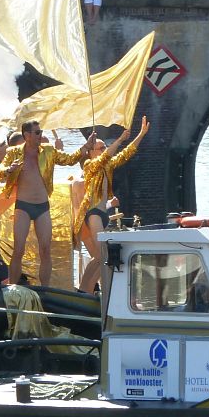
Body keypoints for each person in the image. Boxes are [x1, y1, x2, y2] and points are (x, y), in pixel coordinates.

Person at [0, 121, 96, 286]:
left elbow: (69, 160)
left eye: (41, 131)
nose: (41, 135)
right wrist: (9, 170)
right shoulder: (13, 152)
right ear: (27, 135)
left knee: (45, 250)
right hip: (23, 205)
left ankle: (45, 290)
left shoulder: (48, 151)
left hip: (42, 206)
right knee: (18, 250)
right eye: (37, 132)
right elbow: (0, 172)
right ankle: (13, 287)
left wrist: (85, 146)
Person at [74, 117, 149, 293]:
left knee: (102, 256)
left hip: (103, 213)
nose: (104, 150)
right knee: (100, 254)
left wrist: (141, 134)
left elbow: (126, 154)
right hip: (93, 213)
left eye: (104, 147)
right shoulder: (88, 165)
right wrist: (121, 139)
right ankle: (84, 290)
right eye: (100, 148)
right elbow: (106, 157)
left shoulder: (107, 166)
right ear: (91, 153)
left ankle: (90, 289)